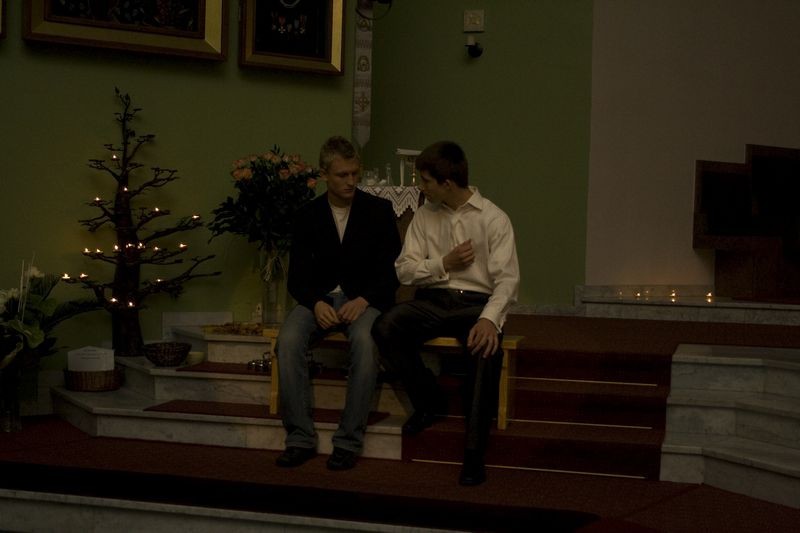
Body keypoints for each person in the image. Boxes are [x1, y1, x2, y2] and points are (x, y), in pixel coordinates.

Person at [371, 140, 520, 486]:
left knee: (486, 347)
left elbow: (508, 281)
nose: (420, 188)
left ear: (447, 183)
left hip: (476, 305)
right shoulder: (425, 214)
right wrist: (444, 263)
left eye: (425, 181)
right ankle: (429, 401)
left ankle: (474, 453)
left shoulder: (494, 219)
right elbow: (404, 270)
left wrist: (489, 319)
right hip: (433, 300)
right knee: (385, 326)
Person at [274, 136, 401, 471]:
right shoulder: (307, 215)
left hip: (365, 299)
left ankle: (348, 441)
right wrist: (315, 303)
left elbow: (392, 272)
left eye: (354, 173)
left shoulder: (379, 211)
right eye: (342, 175)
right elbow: (296, 278)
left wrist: (365, 300)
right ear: (324, 175)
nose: (350, 181)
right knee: (288, 341)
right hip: (319, 299)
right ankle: (300, 438)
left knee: (365, 342)